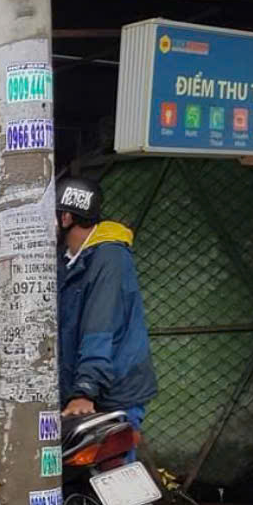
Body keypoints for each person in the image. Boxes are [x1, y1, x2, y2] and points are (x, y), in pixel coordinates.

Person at [55, 177, 157, 429]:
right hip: (79, 389)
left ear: (66, 218)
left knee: (111, 467)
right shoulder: (67, 259)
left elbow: (99, 327)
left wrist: (85, 390)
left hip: (111, 393)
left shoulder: (108, 257)